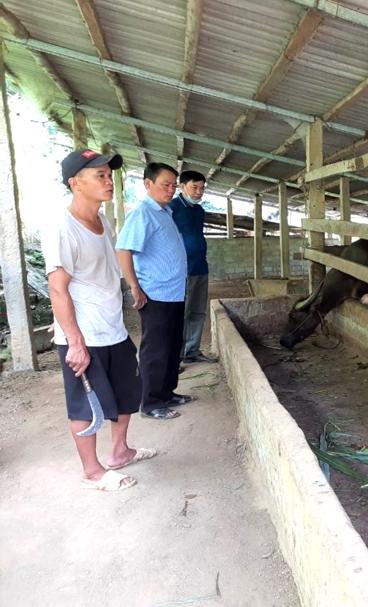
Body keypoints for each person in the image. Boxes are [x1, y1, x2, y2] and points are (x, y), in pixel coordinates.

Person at [43, 148, 157, 492]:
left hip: (113, 329)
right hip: (84, 335)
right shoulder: (62, 228)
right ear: (76, 183)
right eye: (100, 177)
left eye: (109, 175)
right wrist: (74, 342)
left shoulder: (102, 220)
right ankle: (92, 472)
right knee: (84, 405)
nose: (109, 181)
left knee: (127, 393)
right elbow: (57, 289)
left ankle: (120, 451)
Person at [116, 163, 192, 420]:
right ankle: (150, 403)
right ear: (148, 184)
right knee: (156, 349)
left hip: (173, 292)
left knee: (172, 346)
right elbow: (124, 250)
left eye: (173, 185)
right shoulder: (142, 214)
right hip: (155, 294)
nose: (170, 190)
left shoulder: (165, 212)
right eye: (165, 184)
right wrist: (134, 286)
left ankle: (167, 393)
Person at [170, 170, 217, 364]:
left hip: (200, 266)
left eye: (202, 188)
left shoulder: (199, 211)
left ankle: (192, 350)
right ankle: (176, 356)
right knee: (180, 313)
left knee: (197, 310)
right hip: (181, 270)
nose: (199, 192)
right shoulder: (171, 208)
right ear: (182, 187)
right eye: (194, 187)